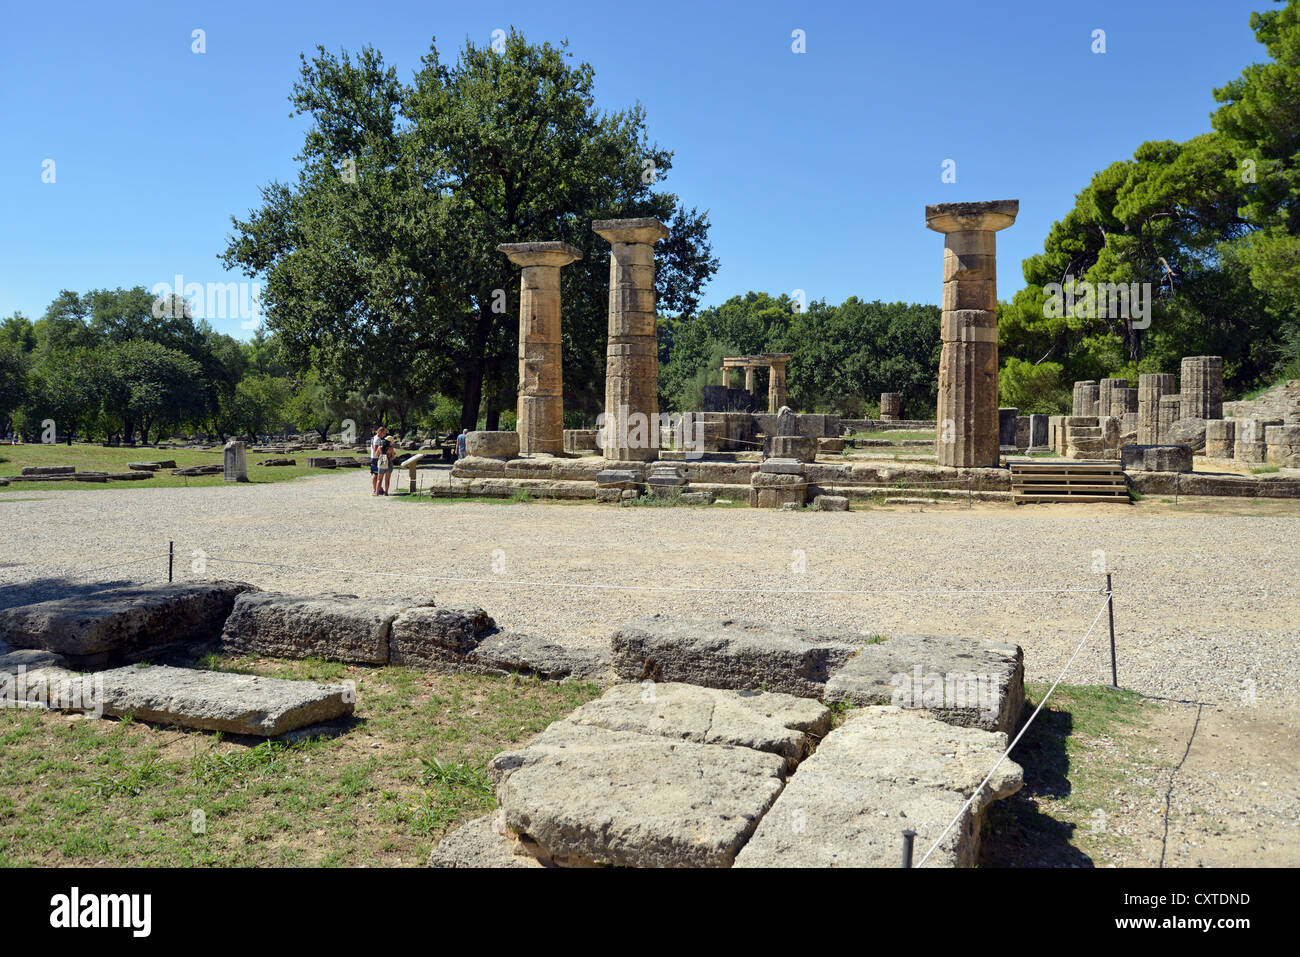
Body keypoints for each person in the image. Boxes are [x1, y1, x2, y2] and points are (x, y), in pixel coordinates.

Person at [376, 430, 394, 496]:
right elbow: (392, 457)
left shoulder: (380, 447)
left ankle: (377, 492)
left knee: (379, 479)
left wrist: (381, 458)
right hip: (389, 464)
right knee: (387, 479)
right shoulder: (391, 448)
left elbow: (376, 455)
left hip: (381, 464)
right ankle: (386, 492)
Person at [369, 426, 383, 495]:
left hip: (374, 458)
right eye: (383, 433)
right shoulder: (377, 439)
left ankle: (378, 488)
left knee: (377, 474)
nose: (384, 435)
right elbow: (375, 449)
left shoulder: (375, 438)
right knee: (376, 474)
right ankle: (375, 489)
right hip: (375, 458)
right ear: (380, 432)